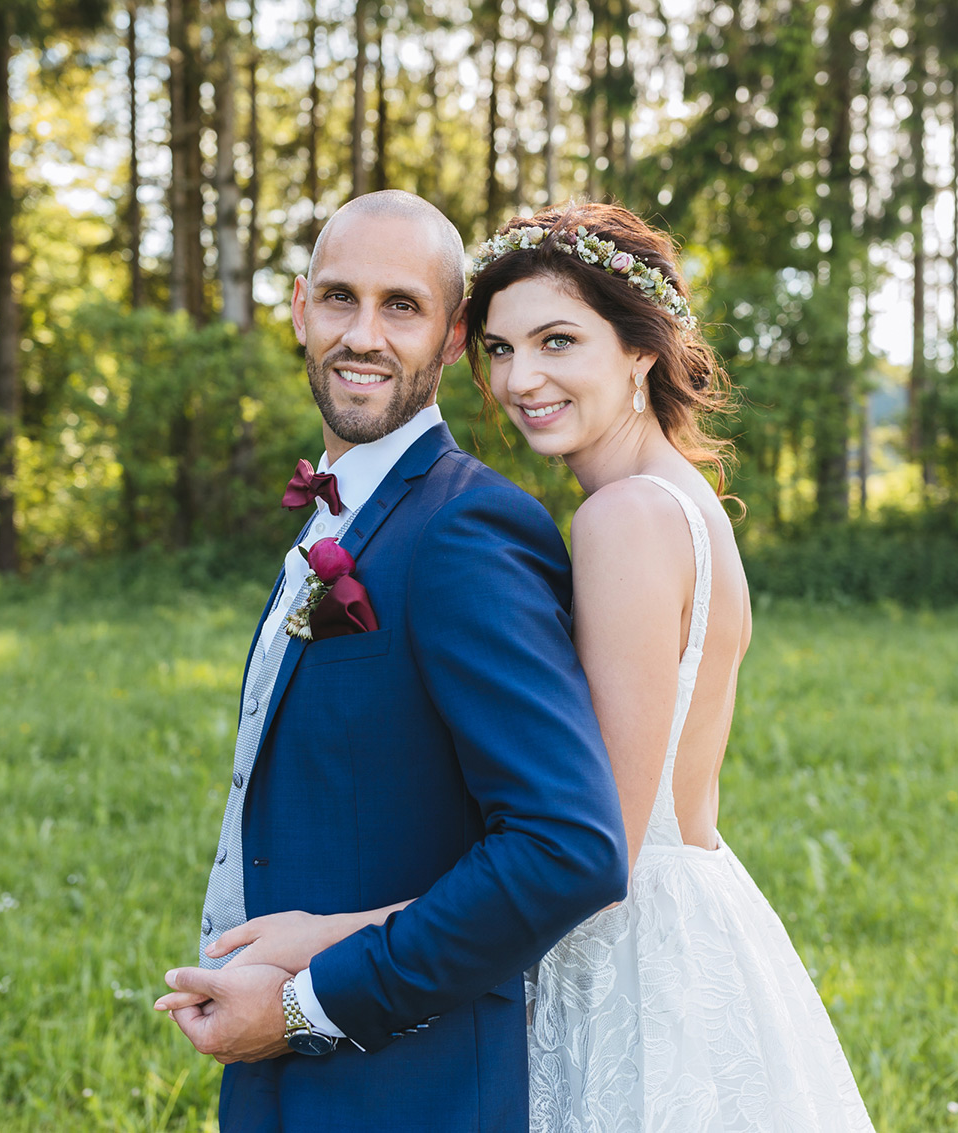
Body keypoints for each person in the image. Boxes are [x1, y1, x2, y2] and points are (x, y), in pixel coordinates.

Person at [196, 201, 877, 1130]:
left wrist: (327, 949)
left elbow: (589, 846)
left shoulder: (619, 520)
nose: (523, 379)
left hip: (623, 960)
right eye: (507, 350)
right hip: (690, 928)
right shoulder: (680, 502)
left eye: (559, 342)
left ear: (640, 349)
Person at [152, 190, 629, 1132]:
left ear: (453, 337)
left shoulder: (468, 530)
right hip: (290, 1068)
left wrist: (305, 1007)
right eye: (339, 298)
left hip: (411, 1079)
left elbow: (565, 849)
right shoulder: (343, 512)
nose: (362, 335)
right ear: (298, 308)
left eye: (401, 307)